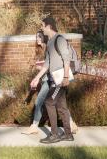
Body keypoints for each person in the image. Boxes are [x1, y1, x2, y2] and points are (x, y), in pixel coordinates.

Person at [30, 16, 74, 144]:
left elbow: (67, 59)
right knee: (61, 106)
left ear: (49, 26)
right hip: (55, 79)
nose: (41, 28)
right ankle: (68, 134)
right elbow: (47, 64)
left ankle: (54, 134)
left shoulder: (59, 39)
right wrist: (36, 78)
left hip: (61, 79)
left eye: (42, 26)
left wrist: (66, 77)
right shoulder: (49, 42)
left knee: (49, 102)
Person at [22, 30, 50, 135]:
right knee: (59, 104)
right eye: (37, 37)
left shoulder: (48, 49)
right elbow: (42, 67)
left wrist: (40, 68)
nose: (38, 39)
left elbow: (50, 66)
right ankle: (71, 124)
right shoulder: (39, 51)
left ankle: (34, 126)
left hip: (51, 80)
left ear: (45, 38)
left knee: (39, 102)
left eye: (40, 37)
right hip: (44, 79)